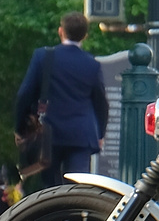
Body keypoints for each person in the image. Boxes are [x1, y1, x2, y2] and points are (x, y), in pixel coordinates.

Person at [13, 11, 109, 187]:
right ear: (85, 36)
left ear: (60, 31)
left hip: (48, 133)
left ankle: (57, 214)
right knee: (77, 187)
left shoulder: (43, 57)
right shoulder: (92, 64)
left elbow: (25, 94)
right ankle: (74, 214)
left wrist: (20, 129)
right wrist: (100, 133)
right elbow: (101, 102)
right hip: (81, 134)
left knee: (51, 190)